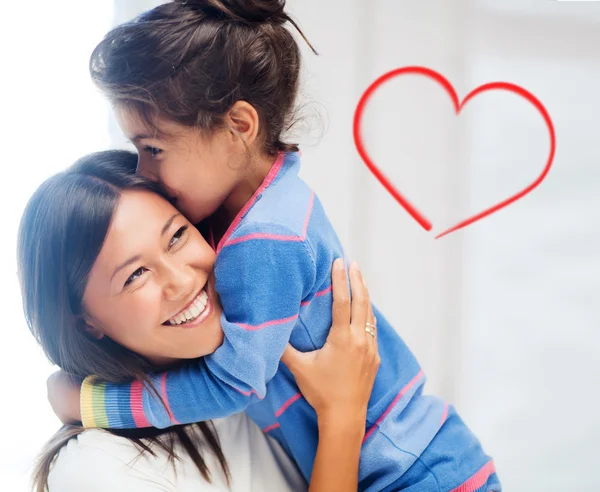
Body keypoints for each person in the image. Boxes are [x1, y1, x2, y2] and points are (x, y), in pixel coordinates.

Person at [48, 1, 500, 490]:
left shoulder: (263, 240)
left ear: (239, 127)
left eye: (153, 148)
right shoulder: (269, 198)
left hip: (417, 473)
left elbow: (233, 383)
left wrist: (93, 403)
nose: (143, 171)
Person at [18, 150, 380, 491]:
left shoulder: (258, 358)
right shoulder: (96, 467)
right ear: (85, 323)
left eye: (177, 236)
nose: (182, 280)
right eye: (135, 275)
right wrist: (343, 415)